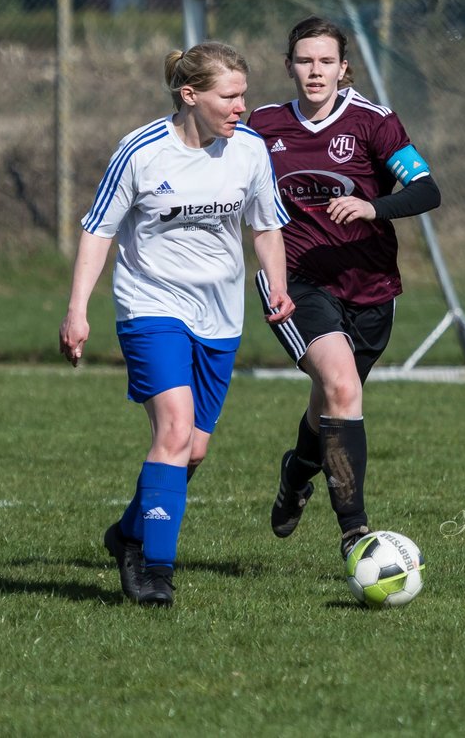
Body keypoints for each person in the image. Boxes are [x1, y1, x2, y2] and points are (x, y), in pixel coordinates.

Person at [59, 41, 295, 607]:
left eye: (245, 94)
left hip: (220, 314)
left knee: (193, 451)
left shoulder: (250, 152)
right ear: (190, 96)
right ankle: (154, 571)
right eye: (230, 96)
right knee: (173, 430)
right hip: (150, 306)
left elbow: (265, 227)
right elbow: (99, 230)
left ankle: (127, 534)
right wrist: (77, 309)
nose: (242, 106)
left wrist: (277, 285)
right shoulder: (142, 151)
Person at [247, 16, 441, 559]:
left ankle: (297, 471)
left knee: (331, 401)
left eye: (325, 61)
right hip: (299, 281)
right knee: (342, 387)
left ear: (343, 67)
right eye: (304, 60)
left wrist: (372, 206)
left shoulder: (373, 122)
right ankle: (356, 533)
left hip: (372, 286)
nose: (315, 70)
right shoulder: (260, 126)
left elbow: (427, 190)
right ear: (288, 66)